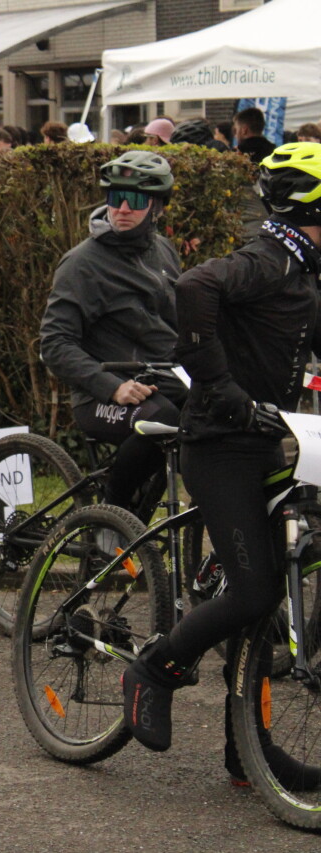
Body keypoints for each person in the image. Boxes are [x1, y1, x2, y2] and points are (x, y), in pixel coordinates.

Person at [121, 144, 321, 792]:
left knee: (263, 591)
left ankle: (244, 750)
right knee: (255, 591)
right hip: (218, 443)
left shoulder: (306, 272)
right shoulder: (270, 258)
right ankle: (154, 668)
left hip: (267, 441)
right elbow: (193, 286)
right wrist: (219, 385)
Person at [40, 150, 185, 517]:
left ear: (156, 207)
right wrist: (112, 386)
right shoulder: (81, 264)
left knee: (219, 414)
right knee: (162, 422)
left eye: (134, 200)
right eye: (114, 197)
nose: (121, 208)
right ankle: (111, 513)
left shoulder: (163, 251)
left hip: (160, 382)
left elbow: (177, 325)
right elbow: (55, 344)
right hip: (101, 396)